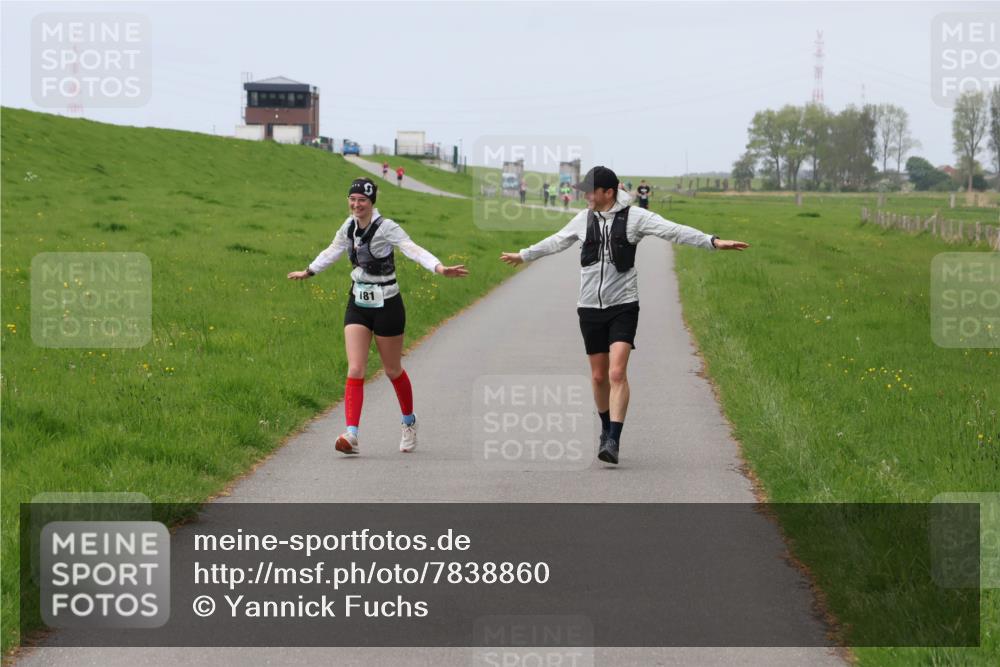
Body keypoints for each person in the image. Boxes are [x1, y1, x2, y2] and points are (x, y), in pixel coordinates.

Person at [499, 166, 748, 465]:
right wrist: (524, 254)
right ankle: (605, 428)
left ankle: (614, 440)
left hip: (623, 306)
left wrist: (712, 241)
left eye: (591, 191)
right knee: (598, 375)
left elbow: (673, 230)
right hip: (589, 307)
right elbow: (556, 241)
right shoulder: (583, 218)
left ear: (609, 192)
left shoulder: (635, 218)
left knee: (617, 373)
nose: (586, 196)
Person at [288, 177, 468, 455]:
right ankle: (352, 434)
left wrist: (439, 268)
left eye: (362, 200)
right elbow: (333, 250)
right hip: (358, 302)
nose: (356, 204)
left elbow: (411, 248)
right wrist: (309, 270)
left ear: (372, 203)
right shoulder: (348, 226)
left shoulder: (387, 228)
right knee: (356, 368)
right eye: (352, 199)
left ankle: (409, 422)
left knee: (392, 369)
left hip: (388, 304)